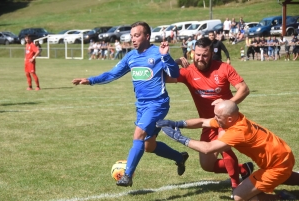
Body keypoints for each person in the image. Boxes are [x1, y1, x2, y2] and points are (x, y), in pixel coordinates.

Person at [72, 21, 189, 187]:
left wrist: (167, 56)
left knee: (138, 135)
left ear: (147, 36)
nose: (133, 39)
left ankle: (127, 176)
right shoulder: (131, 57)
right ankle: (179, 157)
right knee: (149, 146)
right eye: (132, 36)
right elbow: (112, 74)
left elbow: (175, 73)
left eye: (137, 35)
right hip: (141, 106)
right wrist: (90, 80)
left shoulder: (158, 52)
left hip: (158, 104)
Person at [156, 100, 299, 201]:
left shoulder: (237, 132)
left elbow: (208, 148)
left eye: (217, 116)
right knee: (285, 175)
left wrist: (179, 138)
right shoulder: (235, 118)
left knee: (238, 197)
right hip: (283, 156)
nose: (215, 119)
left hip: (276, 165)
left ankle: (281, 197)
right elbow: (203, 122)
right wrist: (177, 123)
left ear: (229, 118)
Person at [168, 37, 251, 196]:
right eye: (197, 55)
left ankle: (236, 186)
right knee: (206, 165)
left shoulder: (224, 68)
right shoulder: (188, 72)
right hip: (207, 123)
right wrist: (176, 61)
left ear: (212, 54)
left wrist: (226, 105)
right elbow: (162, 76)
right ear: (192, 53)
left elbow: (244, 89)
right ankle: (243, 169)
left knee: (223, 146)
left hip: (227, 121)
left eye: (204, 55)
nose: (200, 58)